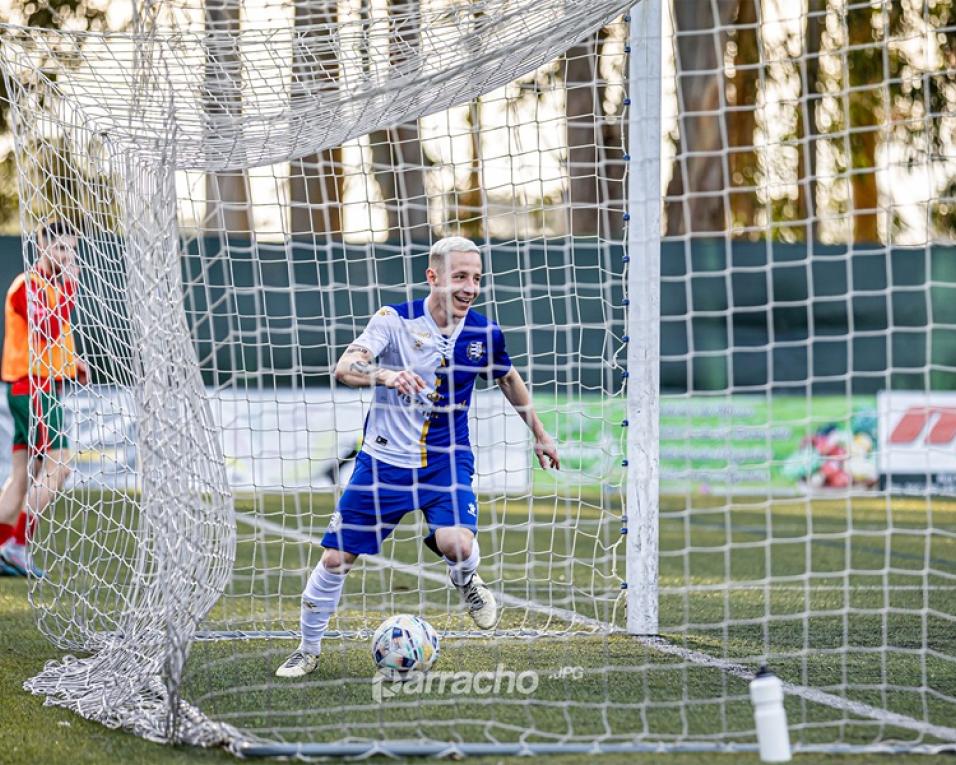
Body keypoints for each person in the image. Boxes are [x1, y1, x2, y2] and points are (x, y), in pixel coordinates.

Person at [276, 236, 560, 677]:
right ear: (433, 276)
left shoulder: (484, 333)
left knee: (458, 545)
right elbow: (345, 367)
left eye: (477, 278)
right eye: (460, 277)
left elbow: (507, 377)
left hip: (445, 461)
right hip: (382, 463)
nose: (470, 288)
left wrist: (540, 434)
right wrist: (386, 375)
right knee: (334, 560)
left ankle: (466, 580)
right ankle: (307, 650)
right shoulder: (394, 320)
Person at [0, 221, 88, 577]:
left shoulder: (53, 286)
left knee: (22, 477)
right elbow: (46, 330)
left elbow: (52, 341)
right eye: (60, 248)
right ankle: (18, 546)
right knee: (60, 465)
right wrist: (70, 288)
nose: (66, 256)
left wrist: (72, 364)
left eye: (71, 250)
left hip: (41, 386)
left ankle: (4, 546)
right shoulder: (28, 285)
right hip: (31, 388)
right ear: (42, 247)